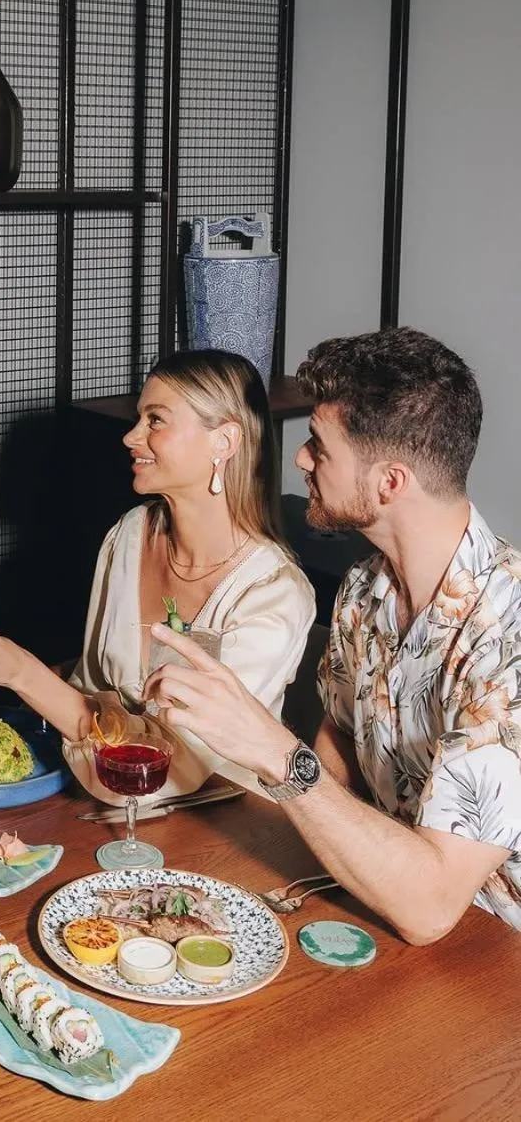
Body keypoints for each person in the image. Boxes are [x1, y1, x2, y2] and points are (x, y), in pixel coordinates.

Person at [144, 327, 521, 944]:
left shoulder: (509, 638)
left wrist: (272, 752)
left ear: (389, 483)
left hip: (492, 956)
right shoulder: (364, 587)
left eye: (319, 446)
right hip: (369, 902)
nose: (300, 459)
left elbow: (430, 911)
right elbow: (339, 741)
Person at [0, 349, 316, 803]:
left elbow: (170, 770)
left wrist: (19, 671)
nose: (130, 437)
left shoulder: (272, 595)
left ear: (223, 442)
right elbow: (89, 687)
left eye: (155, 420)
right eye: (138, 418)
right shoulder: (131, 535)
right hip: (102, 801)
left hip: (223, 826)